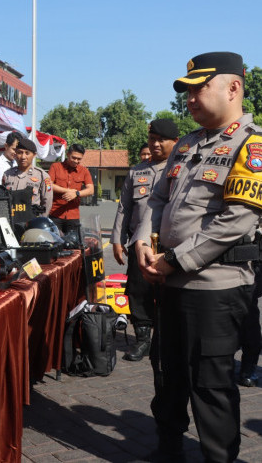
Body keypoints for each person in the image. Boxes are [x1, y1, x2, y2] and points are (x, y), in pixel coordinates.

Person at [134, 52, 262, 462]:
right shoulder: (186, 144)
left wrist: (174, 260)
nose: (189, 98)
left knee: (210, 385)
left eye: (198, 88)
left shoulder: (251, 143)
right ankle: (168, 450)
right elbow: (156, 199)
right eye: (186, 91)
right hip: (169, 282)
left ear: (233, 87)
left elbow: (237, 219)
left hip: (215, 287)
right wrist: (142, 242)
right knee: (168, 377)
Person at [111, 119, 179, 362]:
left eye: (161, 140)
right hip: (139, 244)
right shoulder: (136, 171)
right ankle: (142, 340)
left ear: (175, 142)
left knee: (168, 294)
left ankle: (163, 339)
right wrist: (117, 240)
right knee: (138, 292)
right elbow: (124, 208)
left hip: (170, 245)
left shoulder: (179, 169)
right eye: (152, 139)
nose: (156, 144)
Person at [48, 143, 94, 234]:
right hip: (55, 215)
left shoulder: (84, 171)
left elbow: (91, 190)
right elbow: (49, 185)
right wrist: (68, 191)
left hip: (73, 216)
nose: (76, 161)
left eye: (79, 159)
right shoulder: (55, 167)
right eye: (74, 158)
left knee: (73, 245)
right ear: (68, 154)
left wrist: (77, 193)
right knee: (55, 244)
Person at [2, 135, 53, 217]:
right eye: (20, 152)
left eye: (27, 153)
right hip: (11, 221)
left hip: (32, 223)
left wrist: (39, 222)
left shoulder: (42, 176)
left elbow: (47, 203)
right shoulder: (7, 175)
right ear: (15, 154)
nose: (23, 157)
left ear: (34, 155)